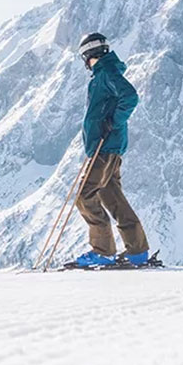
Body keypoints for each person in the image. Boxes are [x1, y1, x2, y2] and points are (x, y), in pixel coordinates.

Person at [71, 32, 150, 268]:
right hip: (106, 146)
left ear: (87, 55)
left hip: (105, 148)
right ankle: (137, 251)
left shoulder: (106, 73)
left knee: (84, 195)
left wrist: (112, 122)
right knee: (113, 198)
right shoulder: (103, 74)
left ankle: (103, 251)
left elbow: (130, 97)